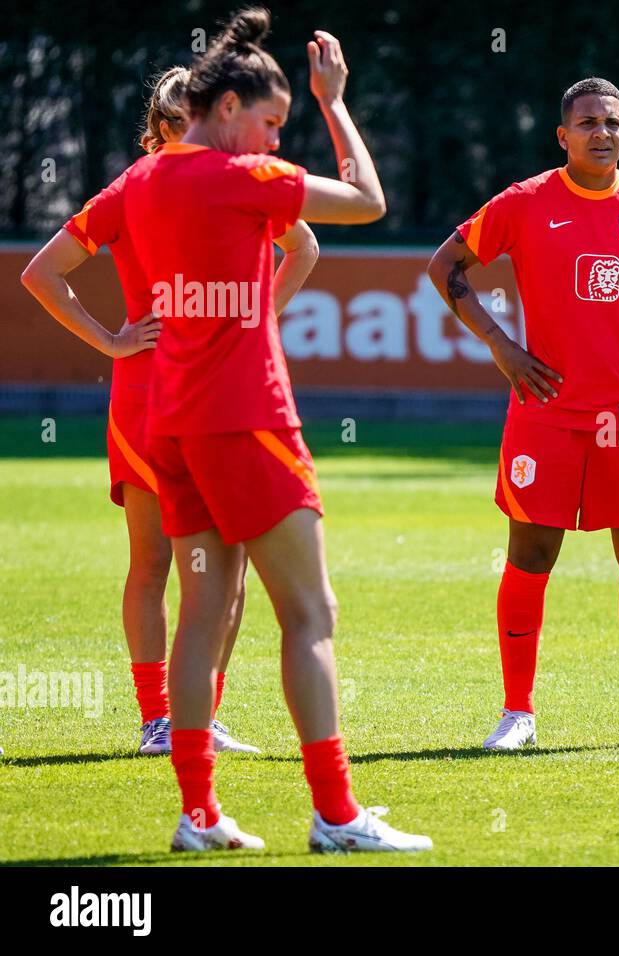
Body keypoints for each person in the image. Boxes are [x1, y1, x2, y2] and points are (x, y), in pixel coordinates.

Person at [119, 7, 429, 852]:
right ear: (226, 110)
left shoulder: (140, 179)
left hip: (172, 423)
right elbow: (368, 200)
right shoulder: (236, 178)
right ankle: (335, 815)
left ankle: (199, 813)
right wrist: (334, 104)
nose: (272, 137)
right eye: (270, 121)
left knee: (202, 611)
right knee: (310, 612)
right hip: (247, 419)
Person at [427, 77, 619, 752]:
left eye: (613, 123)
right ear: (562, 135)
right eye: (587, 122)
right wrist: (502, 346)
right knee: (531, 552)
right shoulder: (525, 202)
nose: (601, 132)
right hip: (546, 408)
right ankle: (517, 713)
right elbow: (447, 264)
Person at [20, 65, 317, 756]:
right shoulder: (134, 190)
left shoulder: (234, 183)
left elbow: (305, 247)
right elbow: (41, 271)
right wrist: (113, 341)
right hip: (149, 393)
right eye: (181, 123)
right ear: (158, 130)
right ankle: (159, 720)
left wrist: (258, 321)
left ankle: (198, 719)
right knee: (154, 562)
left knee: (226, 569)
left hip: (221, 390)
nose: (197, 136)